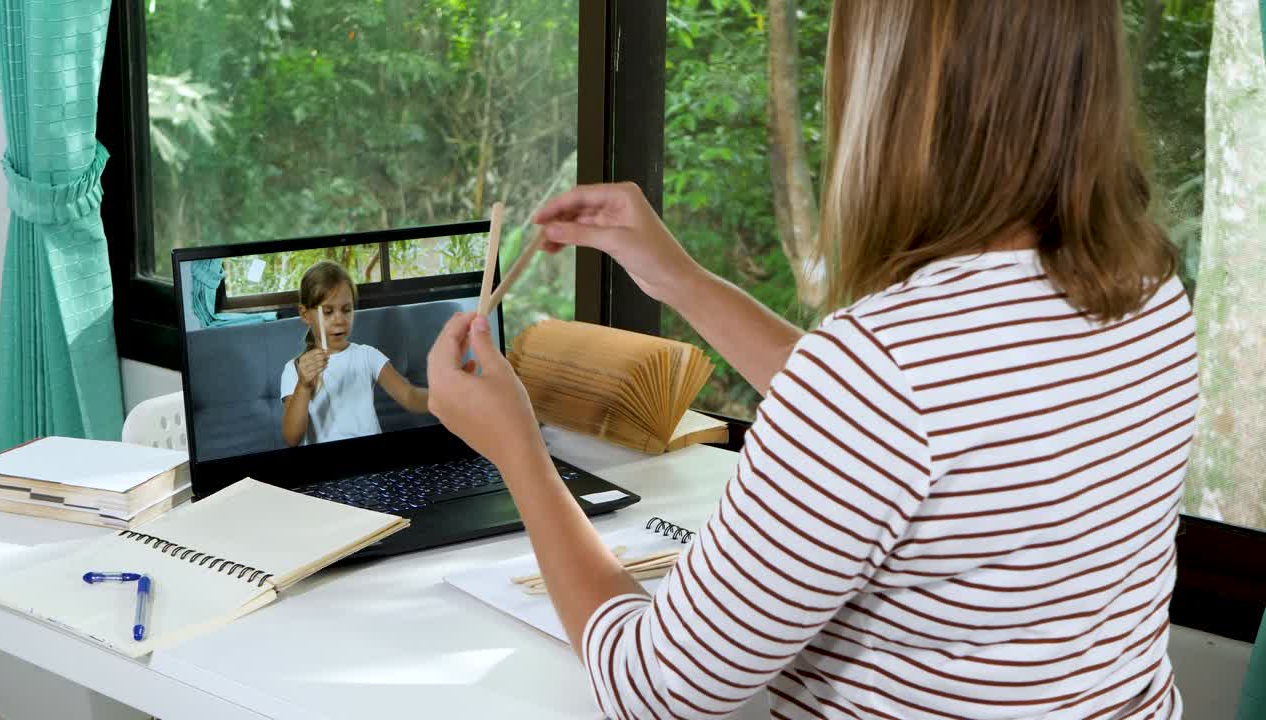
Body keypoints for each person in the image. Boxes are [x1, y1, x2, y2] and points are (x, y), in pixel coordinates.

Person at [426, 2, 1193, 718]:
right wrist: (676, 278)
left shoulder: (881, 372)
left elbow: (652, 687)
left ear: (898, 93)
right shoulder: (1146, 287)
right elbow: (908, 426)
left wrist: (519, 453)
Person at [282, 260, 429, 447]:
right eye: (328, 312)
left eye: (347, 310)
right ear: (305, 315)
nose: (339, 320)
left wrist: (444, 397)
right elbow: (291, 438)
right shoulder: (295, 369)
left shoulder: (368, 356)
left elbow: (409, 396)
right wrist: (303, 386)